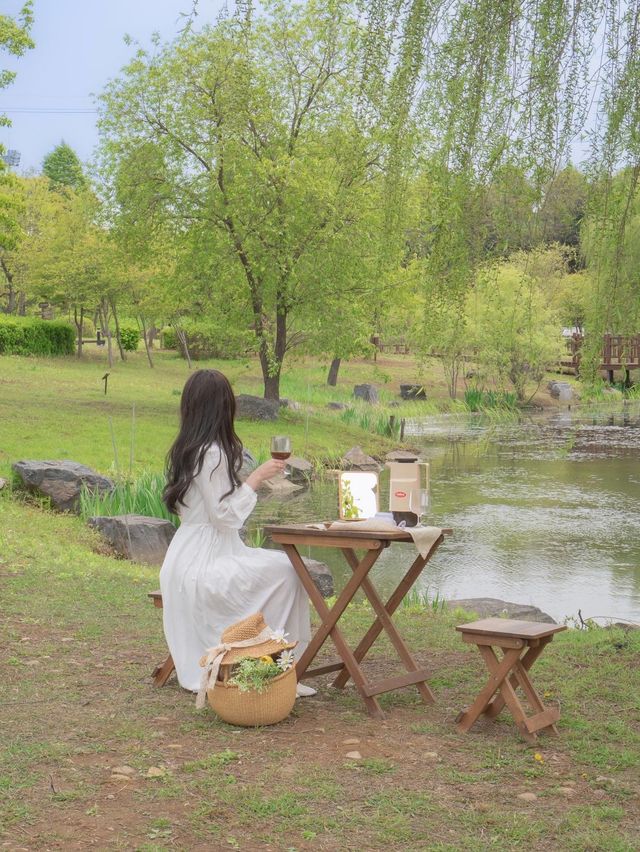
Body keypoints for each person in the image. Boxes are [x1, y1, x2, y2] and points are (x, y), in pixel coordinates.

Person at [160, 369, 313, 696]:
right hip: (205, 560)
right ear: (222, 407)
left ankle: (267, 659)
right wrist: (257, 478)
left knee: (282, 568)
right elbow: (225, 517)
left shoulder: (189, 447)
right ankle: (275, 665)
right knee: (289, 571)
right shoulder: (211, 453)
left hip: (184, 556)